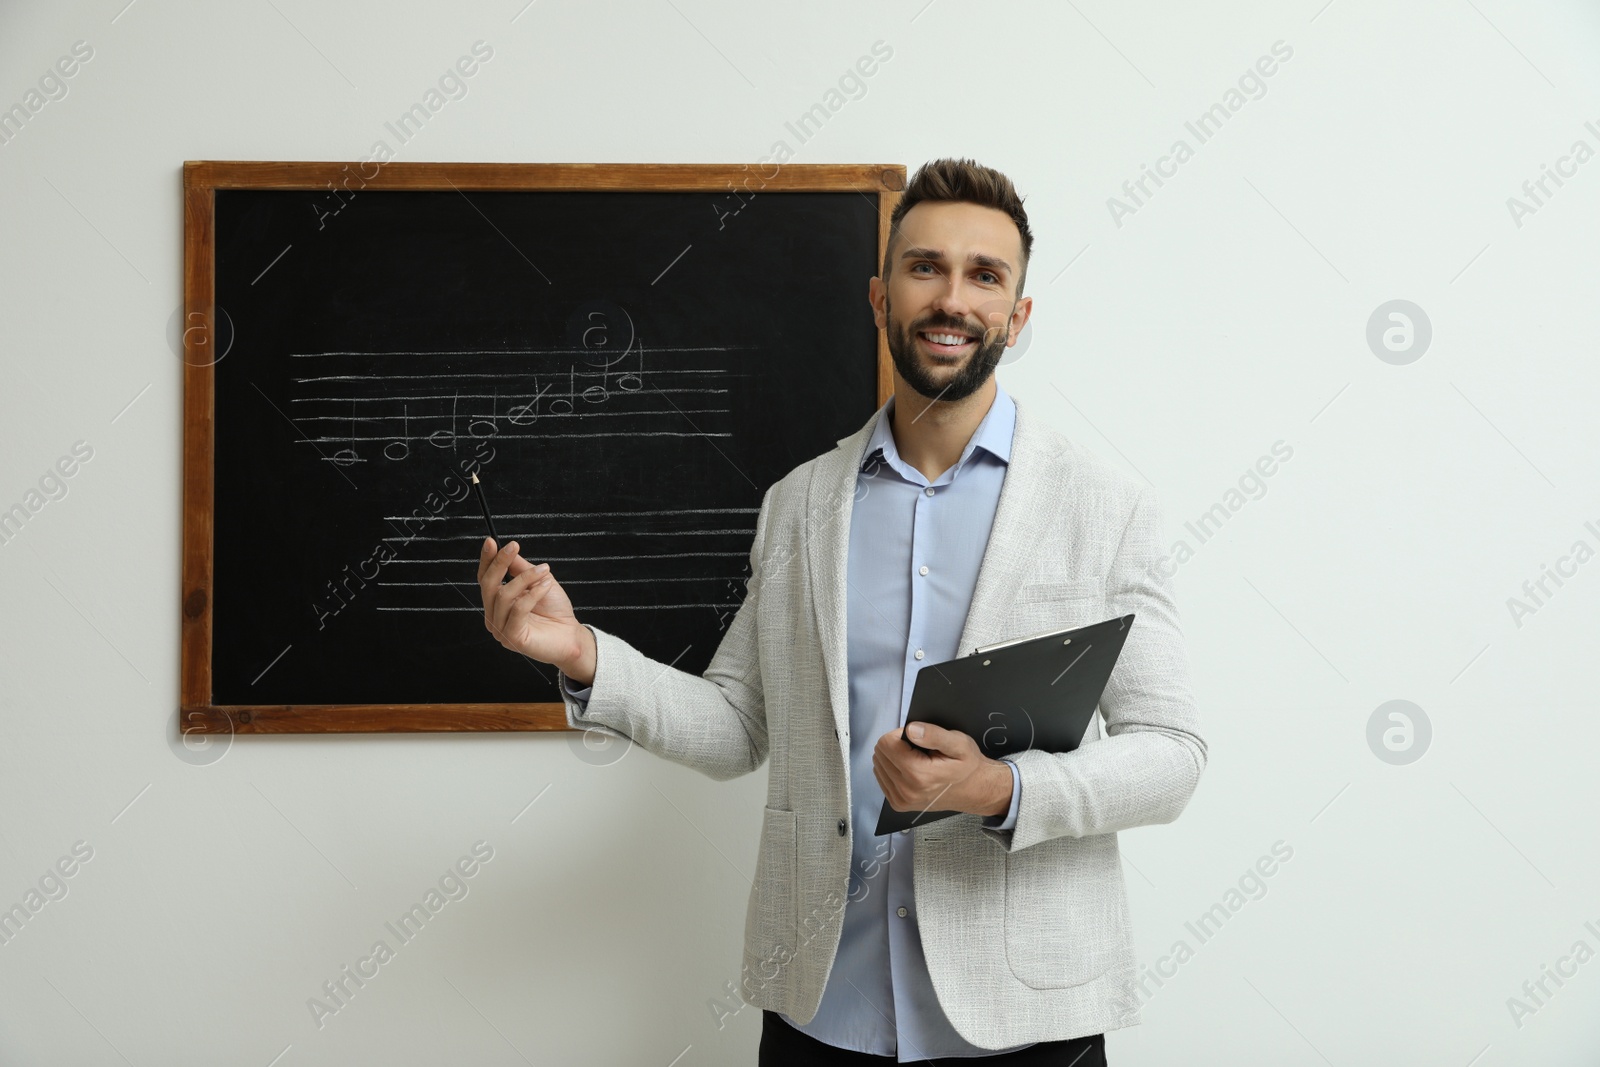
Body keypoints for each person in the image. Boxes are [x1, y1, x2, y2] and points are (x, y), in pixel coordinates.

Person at [476, 158, 1207, 1065]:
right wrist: (582, 651)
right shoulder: (798, 505)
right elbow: (740, 723)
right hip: (824, 1007)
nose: (952, 297)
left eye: (986, 276)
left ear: (1017, 317)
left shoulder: (1106, 506)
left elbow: (1174, 754)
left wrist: (1002, 789)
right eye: (925, 266)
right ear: (879, 296)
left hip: (1025, 1017)